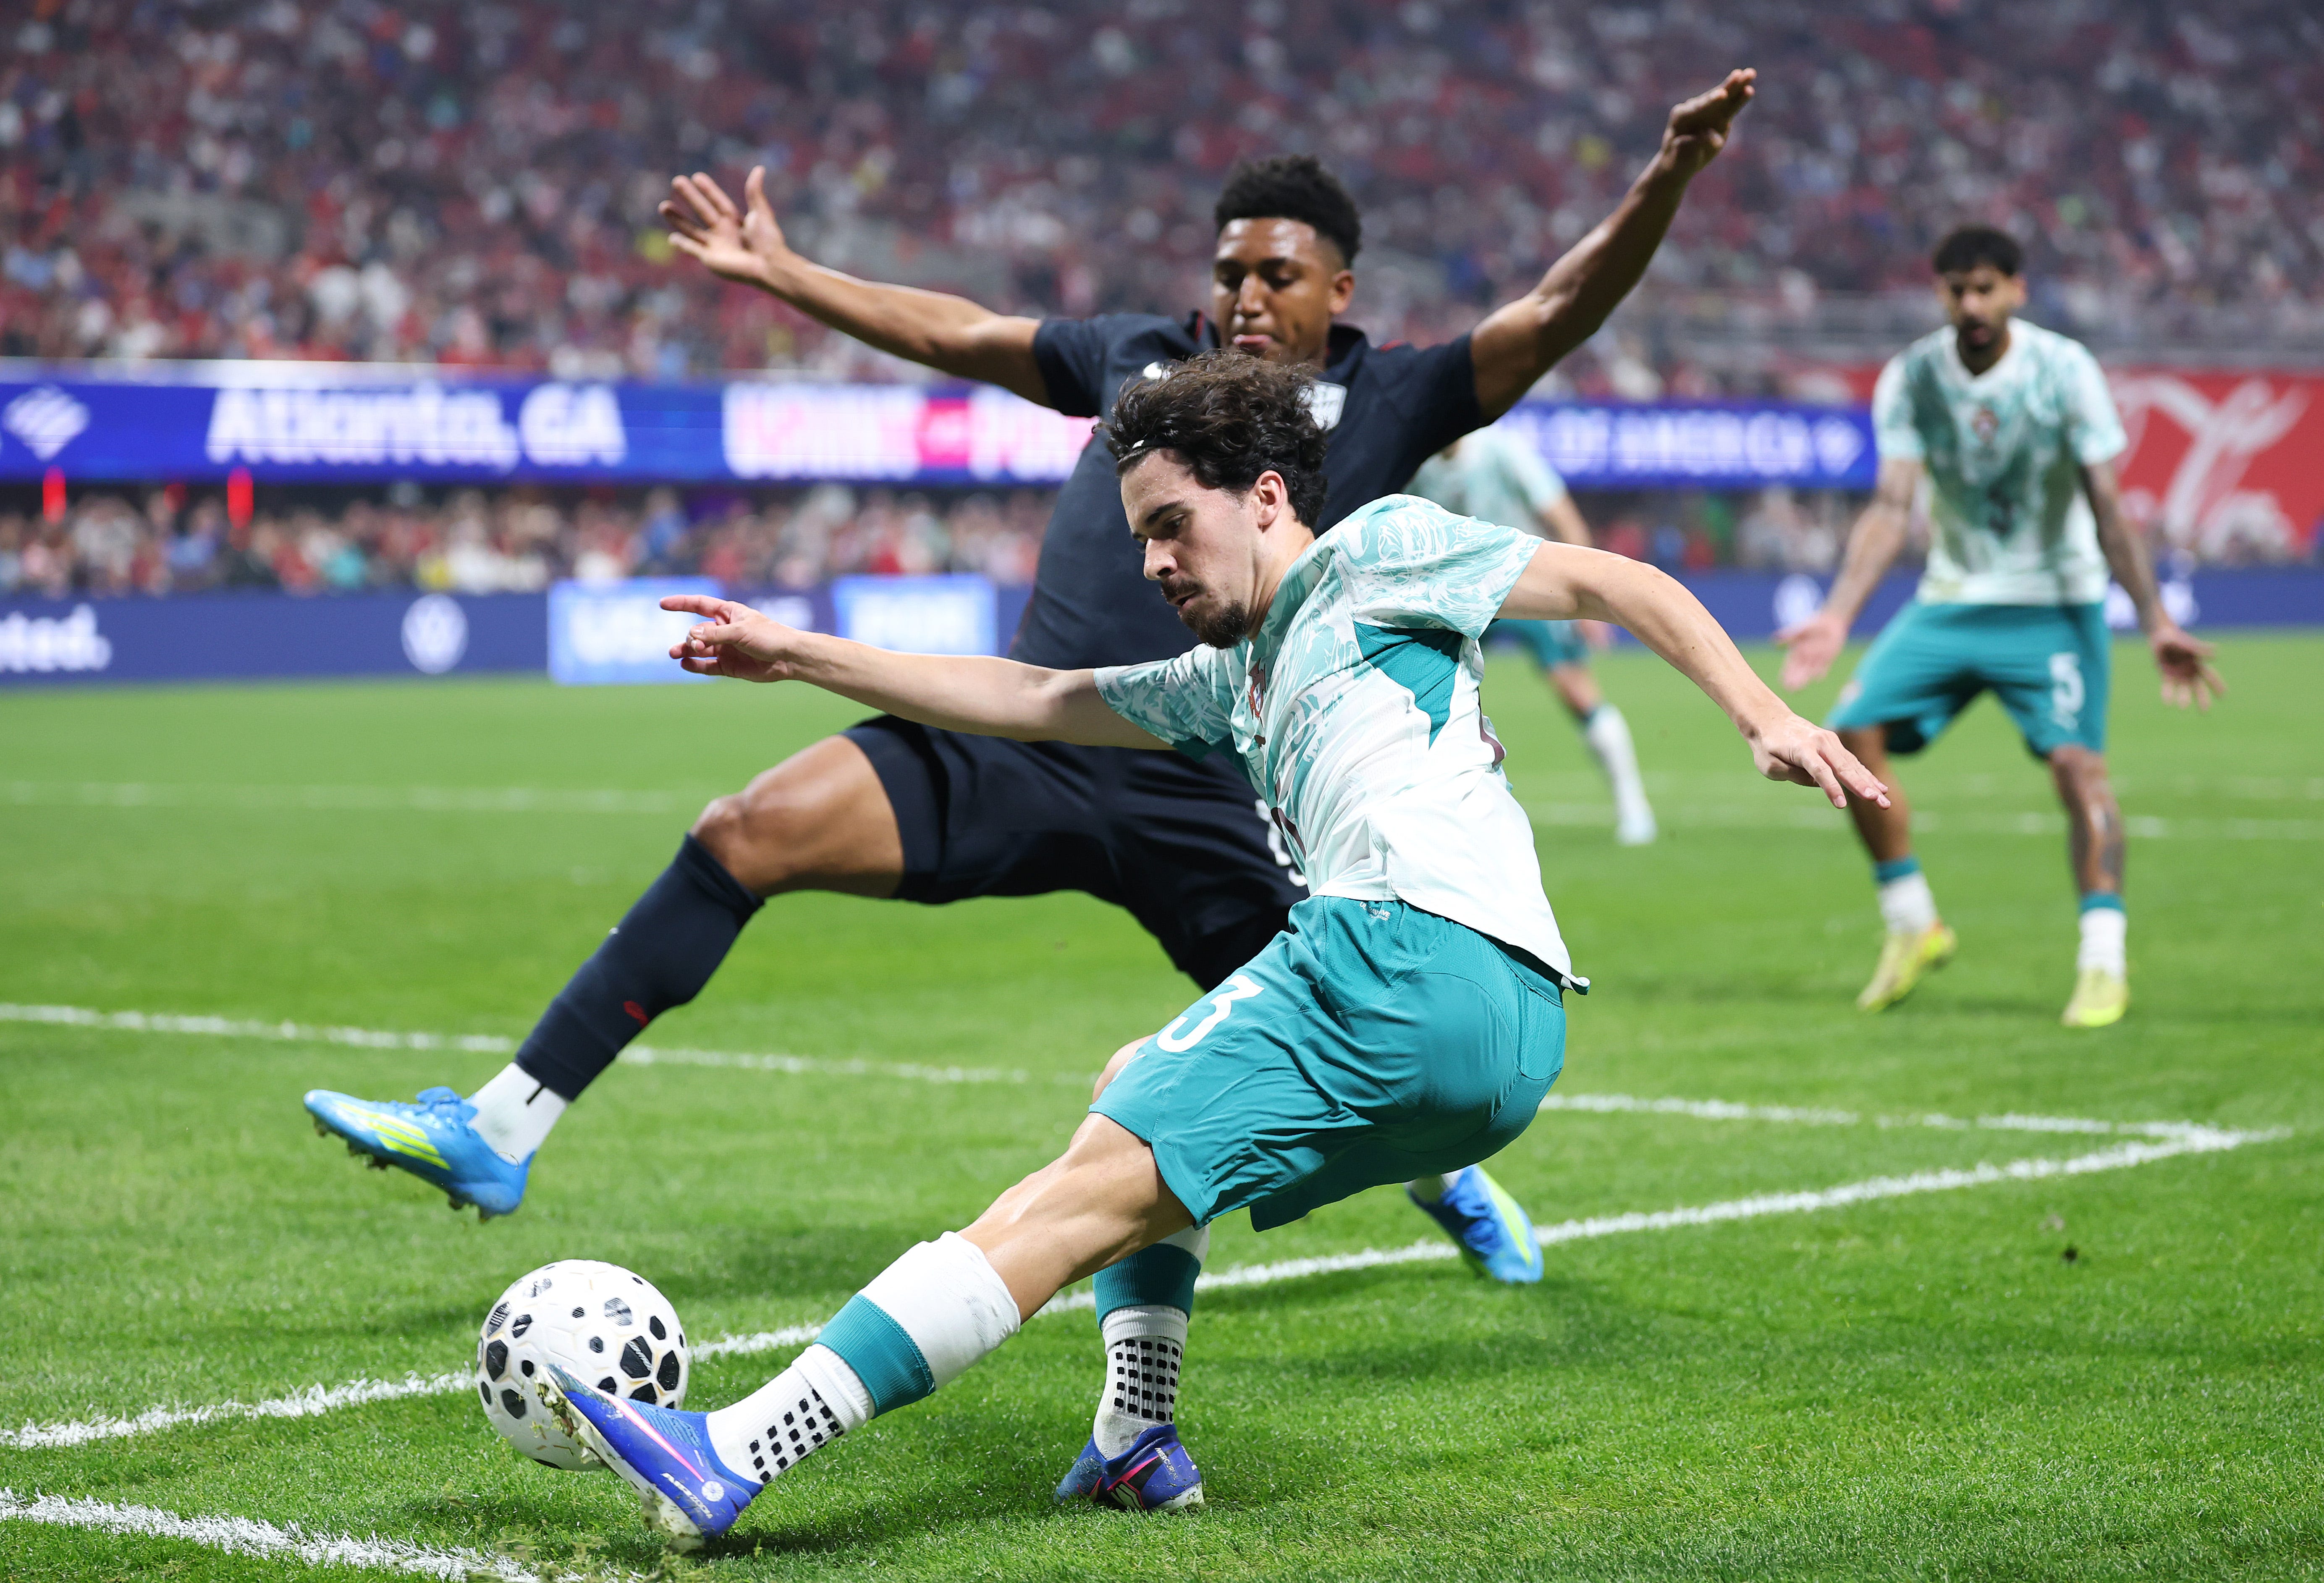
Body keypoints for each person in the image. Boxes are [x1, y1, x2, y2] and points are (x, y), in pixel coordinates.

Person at [303, 71, 1760, 1265]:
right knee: (745, 829)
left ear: (1341, 286)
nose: (1246, 295)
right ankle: (503, 1125)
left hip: (1208, 779)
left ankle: (1444, 1178)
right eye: (1229, 271)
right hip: (1023, 730)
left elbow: (1554, 314)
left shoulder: (1390, 394)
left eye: (1278, 274)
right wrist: (785, 272)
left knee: (1332, 1025)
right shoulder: (1139, 359)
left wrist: (1662, 181)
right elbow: (962, 333)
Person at [527, 353, 1885, 1545]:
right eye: (1140, 539)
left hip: (1396, 959)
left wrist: (1762, 715)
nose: (1153, 564)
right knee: (1138, 1087)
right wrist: (799, 654)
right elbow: (1030, 695)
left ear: (1268, 498)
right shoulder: (1231, 681)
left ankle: (735, 1450)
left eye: (1172, 525)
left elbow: (1613, 578)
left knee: (1067, 1199)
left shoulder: (1375, 549)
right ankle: (1134, 1437)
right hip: (1511, 1034)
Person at [1776, 225, 2222, 1026]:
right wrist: (1838, 615)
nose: (1973, 305)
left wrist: (2155, 619)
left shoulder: (2065, 370)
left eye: (1986, 288)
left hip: (2056, 603)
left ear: (2017, 289)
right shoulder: (1913, 377)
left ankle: (2103, 963)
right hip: (1952, 601)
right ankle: (1914, 923)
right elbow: (1891, 506)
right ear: (1940, 294)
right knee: (1846, 738)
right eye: (1958, 290)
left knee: (2079, 770)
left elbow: (2108, 505)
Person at [1409, 428, 1658, 844]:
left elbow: (1562, 516)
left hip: (1523, 584)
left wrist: (1589, 599)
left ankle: (1634, 808)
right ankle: (1433, 818)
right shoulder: (1417, 463)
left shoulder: (1502, 450)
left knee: (1577, 692)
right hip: (1459, 596)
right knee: (1426, 698)